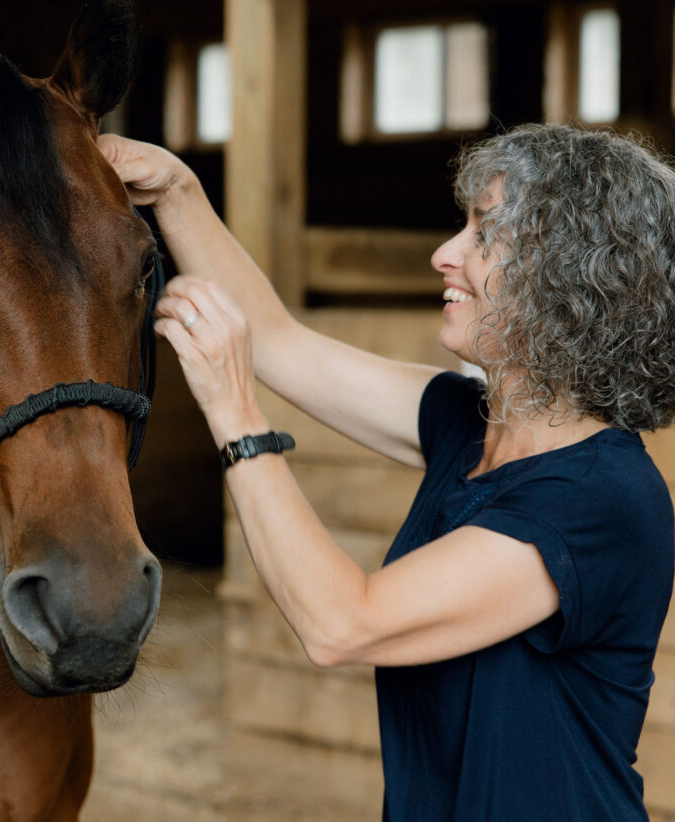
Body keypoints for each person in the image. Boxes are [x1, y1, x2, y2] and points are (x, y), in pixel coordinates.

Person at [98, 123, 675, 820]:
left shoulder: (602, 499)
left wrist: (235, 416)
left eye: (483, 237)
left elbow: (344, 623)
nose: (444, 254)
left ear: (565, 280)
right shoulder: (469, 425)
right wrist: (178, 191)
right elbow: (280, 342)